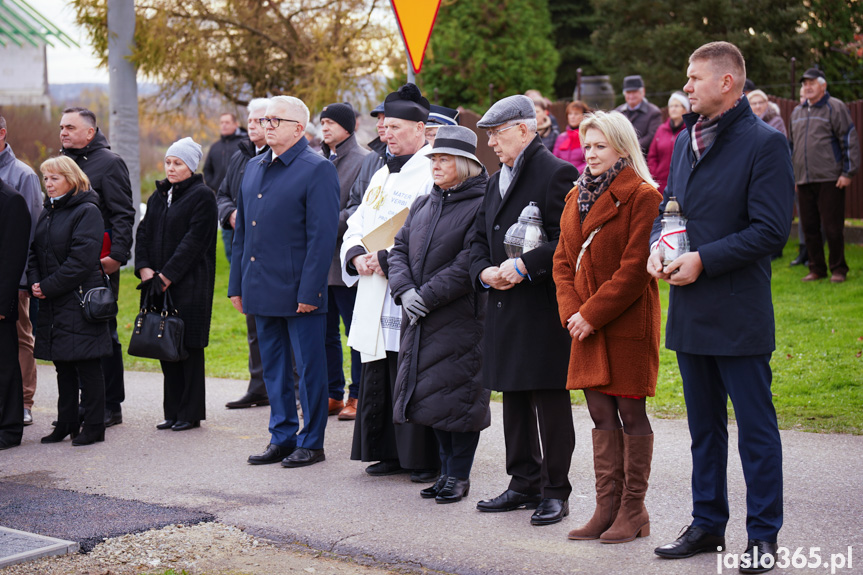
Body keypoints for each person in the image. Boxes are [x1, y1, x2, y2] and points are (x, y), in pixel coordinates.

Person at [647, 42, 793, 573]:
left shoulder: (765, 145)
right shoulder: (686, 142)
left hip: (737, 312)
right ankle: (707, 524)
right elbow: (672, 213)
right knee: (703, 430)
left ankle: (763, 537)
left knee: (756, 431)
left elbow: (771, 231)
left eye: (694, 78)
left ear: (727, 82)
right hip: (690, 311)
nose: (687, 86)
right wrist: (657, 253)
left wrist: (704, 260)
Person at [469, 95, 579, 526]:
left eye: (497, 133)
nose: (492, 142)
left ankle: (555, 490)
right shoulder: (498, 177)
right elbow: (479, 236)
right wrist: (483, 272)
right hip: (502, 301)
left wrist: (523, 266)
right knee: (512, 396)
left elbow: (566, 240)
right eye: (489, 135)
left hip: (540, 304)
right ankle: (522, 481)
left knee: (549, 399)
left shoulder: (556, 173)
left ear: (524, 129)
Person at [553, 111, 662, 543]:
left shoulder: (642, 195)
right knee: (599, 411)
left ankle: (633, 510)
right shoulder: (574, 194)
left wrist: (590, 314)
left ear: (621, 146)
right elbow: (563, 261)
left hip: (623, 320)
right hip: (583, 323)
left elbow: (636, 269)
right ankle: (607, 508)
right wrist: (572, 313)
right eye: (587, 145)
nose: (591, 153)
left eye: (600, 145)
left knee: (630, 411)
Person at [229, 96, 339, 468]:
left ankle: (312, 441)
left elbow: (321, 237)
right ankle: (282, 436)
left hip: (299, 290)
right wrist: (237, 285)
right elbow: (243, 232)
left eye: (276, 119)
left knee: (309, 368)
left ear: (298, 128)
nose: (267, 124)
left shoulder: (316, 169)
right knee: (274, 368)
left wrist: (310, 290)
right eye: (264, 119)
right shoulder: (255, 166)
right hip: (260, 286)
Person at [340, 83, 439, 482]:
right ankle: (387, 451)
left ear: (420, 128)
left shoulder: (430, 171)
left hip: (402, 284)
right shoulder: (381, 172)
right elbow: (356, 222)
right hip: (372, 284)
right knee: (379, 368)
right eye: (384, 126)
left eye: (396, 126)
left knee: (409, 370)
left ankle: (420, 457)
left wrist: (383, 257)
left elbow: (428, 229)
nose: (388, 133)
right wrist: (355, 255)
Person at [388, 125, 491, 504]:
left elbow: (470, 261)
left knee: (458, 397)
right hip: (420, 317)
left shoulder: (482, 204)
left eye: (443, 158)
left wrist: (425, 296)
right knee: (432, 397)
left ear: (465, 164)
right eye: (433, 158)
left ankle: (458, 476)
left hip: (459, 318)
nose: (435, 164)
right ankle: (445, 472)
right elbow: (397, 249)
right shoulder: (423, 203)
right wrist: (404, 291)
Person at [60, 106, 134, 428]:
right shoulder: (62, 164)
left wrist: (118, 256)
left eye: (70, 127)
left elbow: (123, 214)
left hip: (99, 264)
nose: (63, 132)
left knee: (103, 330)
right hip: (65, 265)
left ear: (90, 132)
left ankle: (109, 404)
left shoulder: (110, 163)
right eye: (61, 127)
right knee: (73, 333)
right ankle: (85, 403)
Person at [136, 138, 217, 432]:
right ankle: (172, 412)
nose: (171, 168)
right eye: (169, 162)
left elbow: (194, 242)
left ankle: (190, 413)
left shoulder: (202, 196)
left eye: (178, 163)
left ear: (191, 166)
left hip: (189, 284)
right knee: (164, 344)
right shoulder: (159, 196)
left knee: (187, 347)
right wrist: (145, 271)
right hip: (156, 283)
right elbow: (142, 233)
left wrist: (166, 276)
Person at [30, 156, 111, 446]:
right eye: (46, 179)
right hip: (54, 299)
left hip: (77, 299)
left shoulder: (87, 210)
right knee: (62, 364)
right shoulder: (48, 211)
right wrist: (35, 282)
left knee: (87, 365)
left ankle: (94, 426)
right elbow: (35, 251)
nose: (48, 184)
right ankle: (66, 422)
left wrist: (47, 287)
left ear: (71, 178)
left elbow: (81, 261)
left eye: (54, 178)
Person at [218, 98, 272, 411]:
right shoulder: (241, 156)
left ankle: (290, 388)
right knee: (252, 323)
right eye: (249, 120)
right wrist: (231, 214)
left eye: (259, 120)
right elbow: (223, 194)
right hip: (246, 247)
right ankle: (258, 386)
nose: (252, 125)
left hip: (273, 252)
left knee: (279, 325)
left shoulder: (282, 157)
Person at [319, 101, 369, 419]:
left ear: (348, 127)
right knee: (326, 334)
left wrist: (319, 222)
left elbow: (359, 210)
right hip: (321, 264)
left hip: (347, 263)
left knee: (355, 333)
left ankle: (358, 395)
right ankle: (333, 392)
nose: (324, 128)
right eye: (321, 123)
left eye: (330, 123)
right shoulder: (320, 159)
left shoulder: (364, 160)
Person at [790, 68, 860, 284]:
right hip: (803, 179)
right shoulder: (797, 112)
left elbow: (849, 140)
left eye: (811, 83)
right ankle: (816, 268)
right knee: (809, 226)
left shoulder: (835, 107)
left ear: (823, 86)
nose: (807, 87)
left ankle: (839, 269)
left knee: (832, 227)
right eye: (804, 84)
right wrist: (793, 176)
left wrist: (848, 172)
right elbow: (791, 147)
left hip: (831, 178)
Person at [0, 115, 41, 426]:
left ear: (2, 134)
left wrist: (24, 277)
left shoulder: (22, 175)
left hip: (15, 275)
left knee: (21, 336)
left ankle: (25, 401)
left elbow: (31, 231)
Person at [0, 176, 31, 450]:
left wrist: (2, 305)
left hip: (0, 304)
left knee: (5, 368)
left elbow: (12, 259)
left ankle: (9, 429)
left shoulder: (12, 201)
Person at [203, 112, 246, 264]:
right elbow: (206, 170)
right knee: (227, 235)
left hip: (243, 197)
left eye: (227, 122)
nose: (224, 125)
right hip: (223, 199)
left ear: (235, 124)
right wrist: (214, 184)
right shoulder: (215, 147)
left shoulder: (244, 144)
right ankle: (233, 264)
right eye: (222, 122)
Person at [647, 92, 690, 194]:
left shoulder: (689, 130)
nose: (673, 109)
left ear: (685, 109)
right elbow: (652, 155)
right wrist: (654, 173)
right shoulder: (661, 130)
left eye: (676, 106)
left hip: (682, 183)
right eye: (671, 106)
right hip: (661, 183)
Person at [615, 75, 662, 155]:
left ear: (642, 92)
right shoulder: (617, 112)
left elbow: (652, 136)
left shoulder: (654, 112)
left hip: (643, 157)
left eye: (634, 92)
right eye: (628, 93)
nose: (631, 96)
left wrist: (631, 149)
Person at [553, 100, 591, 172]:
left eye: (576, 114)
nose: (572, 117)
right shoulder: (561, 137)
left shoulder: (588, 136)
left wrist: (574, 172)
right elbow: (554, 159)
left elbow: (589, 160)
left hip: (581, 176)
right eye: (570, 114)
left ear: (584, 116)